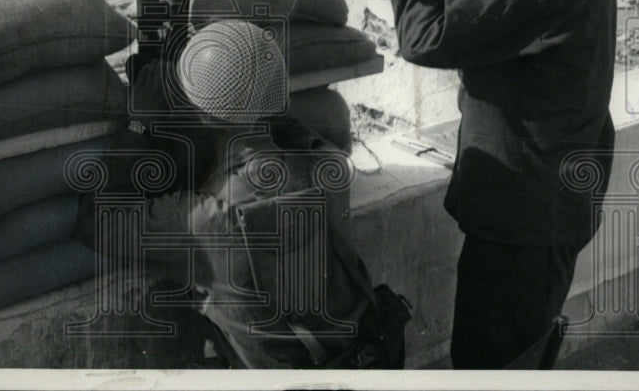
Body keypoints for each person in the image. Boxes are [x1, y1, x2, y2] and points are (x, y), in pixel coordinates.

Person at [391, 0, 617, 369]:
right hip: (551, 201)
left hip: (523, 218)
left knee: (490, 363)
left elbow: (423, 37)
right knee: (518, 352)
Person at [75, 20, 410, 369]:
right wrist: (224, 76)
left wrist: (141, 122)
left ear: (200, 116)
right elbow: (279, 121)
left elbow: (94, 220)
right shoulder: (328, 167)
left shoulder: (210, 221)